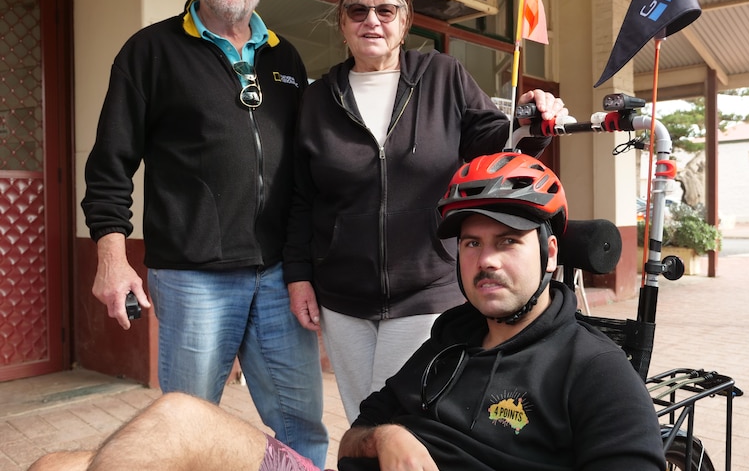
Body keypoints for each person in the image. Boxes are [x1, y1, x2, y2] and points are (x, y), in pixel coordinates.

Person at [36, 152, 665, 471]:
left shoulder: (594, 372)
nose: (486, 260)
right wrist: (387, 436)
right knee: (55, 466)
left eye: (507, 242)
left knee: (173, 414)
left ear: (551, 253)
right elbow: (350, 443)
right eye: (472, 243)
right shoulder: (451, 338)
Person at [79, 0, 328, 467]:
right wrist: (112, 259)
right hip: (194, 278)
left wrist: (306, 264)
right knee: (186, 424)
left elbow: (306, 172)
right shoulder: (149, 52)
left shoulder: (285, 59)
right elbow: (110, 164)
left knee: (302, 427)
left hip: (278, 279)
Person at [285, 0, 569, 423]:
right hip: (343, 296)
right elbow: (302, 196)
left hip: (426, 291)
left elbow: (496, 143)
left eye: (385, 10)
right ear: (341, 22)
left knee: (412, 423)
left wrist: (529, 117)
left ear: (405, 20)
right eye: (357, 11)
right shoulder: (319, 99)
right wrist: (298, 275)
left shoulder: (442, 76)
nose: (371, 21)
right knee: (364, 422)